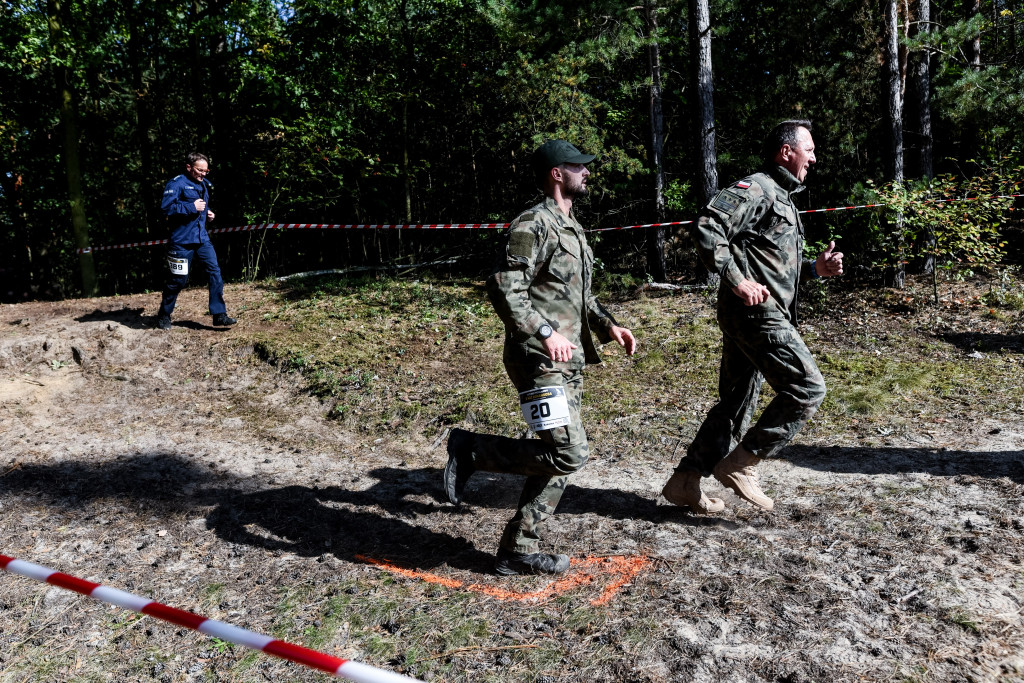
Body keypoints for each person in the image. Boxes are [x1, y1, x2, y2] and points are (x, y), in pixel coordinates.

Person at [444, 139, 637, 576]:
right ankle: (471, 450)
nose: (586, 173)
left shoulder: (574, 227)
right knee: (570, 452)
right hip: (537, 359)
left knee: (560, 456)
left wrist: (609, 326)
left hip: (569, 363)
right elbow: (503, 285)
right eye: (578, 166)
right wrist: (544, 332)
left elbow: (579, 296)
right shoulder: (533, 223)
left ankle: (517, 548)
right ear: (556, 173)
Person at [662, 120, 843, 514]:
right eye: (808, 149)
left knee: (736, 404)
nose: (814, 157)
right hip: (756, 314)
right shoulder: (758, 188)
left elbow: (771, 262)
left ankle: (684, 482)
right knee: (807, 387)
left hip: (760, 312)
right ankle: (744, 464)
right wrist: (738, 280)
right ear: (786, 151)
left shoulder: (783, 196)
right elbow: (709, 226)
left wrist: (815, 269)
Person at [156, 152, 236, 330]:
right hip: (181, 241)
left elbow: (200, 206)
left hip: (201, 239)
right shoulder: (176, 184)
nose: (203, 174)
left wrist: (208, 213)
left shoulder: (204, 184)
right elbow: (166, 209)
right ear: (189, 167)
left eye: (206, 171)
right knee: (178, 280)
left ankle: (219, 314)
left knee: (214, 272)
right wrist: (191, 207)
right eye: (200, 170)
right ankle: (164, 314)